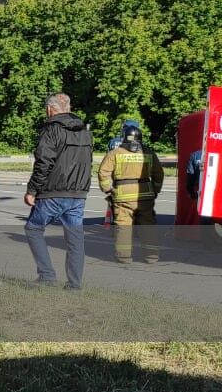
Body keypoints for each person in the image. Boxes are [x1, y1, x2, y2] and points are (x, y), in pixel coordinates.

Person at [23, 93, 93, 289]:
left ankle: (47, 276)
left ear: (49, 109)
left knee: (33, 228)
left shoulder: (51, 130)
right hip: (78, 193)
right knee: (75, 239)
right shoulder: (84, 131)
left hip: (53, 192)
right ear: (69, 107)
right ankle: (74, 285)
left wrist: (32, 190)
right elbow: (88, 162)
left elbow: (43, 162)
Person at [98, 125, 164, 264]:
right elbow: (158, 173)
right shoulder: (149, 153)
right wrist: (155, 190)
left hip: (122, 196)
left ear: (124, 137)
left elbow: (103, 173)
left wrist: (108, 190)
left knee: (123, 226)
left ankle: (124, 256)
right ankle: (152, 256)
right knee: (148, 226)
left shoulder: (114, 154)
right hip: (145, 195)